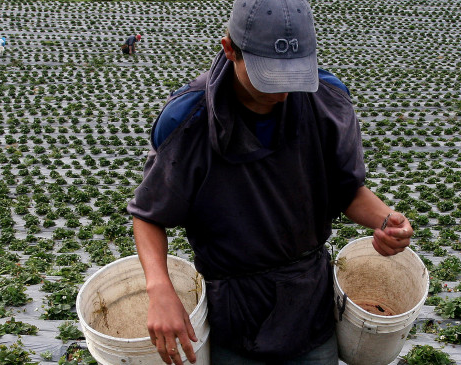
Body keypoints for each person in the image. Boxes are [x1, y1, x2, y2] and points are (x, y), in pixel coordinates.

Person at [127, 0, 413, 364]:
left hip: (309, 304)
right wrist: (159, 288)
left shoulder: (326, 100)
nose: (283, 93)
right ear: (230, 49)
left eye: (294, 77)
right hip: (234, 310)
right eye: (269, 78)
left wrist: (386, 222)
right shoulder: (189, 119)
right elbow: (149, 215)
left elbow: (346, 189)